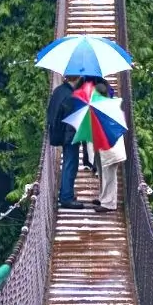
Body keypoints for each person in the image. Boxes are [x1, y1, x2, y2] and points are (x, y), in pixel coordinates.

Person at [47, 75, 84, 209]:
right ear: (77, 79)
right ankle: (66, 198)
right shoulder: (70, 96)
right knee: (70, 164)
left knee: (68, 163)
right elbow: (72, 120)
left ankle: (66, 193)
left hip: (58, 132)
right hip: (69, 136)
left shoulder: (58, 90)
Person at [90, 78, 126, 213]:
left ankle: (109, 203)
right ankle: (103, 198)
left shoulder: (107, 108)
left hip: (111, 148)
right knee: (103, 174)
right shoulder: (102, 107)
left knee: (109, 175)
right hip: (103, 147)